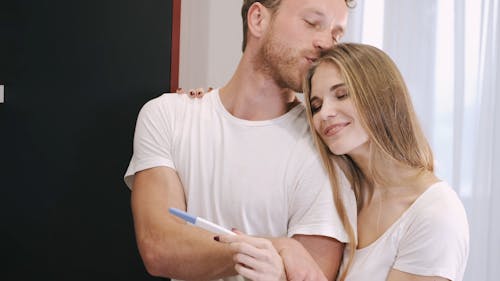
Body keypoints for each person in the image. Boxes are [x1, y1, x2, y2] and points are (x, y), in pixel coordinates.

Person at [124, 0, 356, 280]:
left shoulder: (328, 142)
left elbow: (311, 273)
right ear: (258, 19)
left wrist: (232, 251)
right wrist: (278, 249)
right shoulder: (167, 116)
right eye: (311, 23)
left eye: (336, 34)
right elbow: (159, 247)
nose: (327, 44)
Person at [216, 43, 469, 281]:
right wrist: (210, 104)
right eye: (316, 106)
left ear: (382, 96)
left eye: (341, 94)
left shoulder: (435, 215)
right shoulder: (345, 192)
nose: (324, 113)